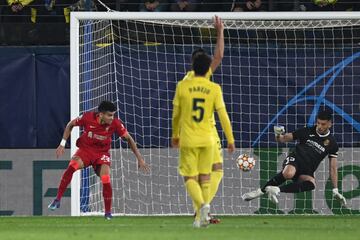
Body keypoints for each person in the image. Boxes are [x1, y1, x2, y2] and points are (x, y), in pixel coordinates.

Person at [172, 15, 235, 228]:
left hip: (189, 135)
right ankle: (202, 208)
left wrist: (175, 134)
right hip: (209, 133)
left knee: (197, 174)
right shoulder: (208, 82)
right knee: (212, 171)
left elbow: (176, 114)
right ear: (206, 64)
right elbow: (220, 55)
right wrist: (220, 31)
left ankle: (201, 211)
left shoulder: (184, 83)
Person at [48, 101, 150, 219]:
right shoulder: (87, 117)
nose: (112, 118)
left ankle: (107, 213)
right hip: (86, 150)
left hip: (102, 154)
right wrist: (62, 143)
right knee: (71, 167)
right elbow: (70, 124)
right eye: (109, 115)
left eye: (113, 115)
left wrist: (140, 159)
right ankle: (57, 200)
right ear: (101, 115)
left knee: (106, 179)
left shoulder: (115, 124)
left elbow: (129, 139)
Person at [242, 110, 346, 207]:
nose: (319, 126)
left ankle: (276, 189)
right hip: (295, 159)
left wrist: (335, 189)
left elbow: (333, 168)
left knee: (311, 184)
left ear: (330, 124)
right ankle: (260, 191)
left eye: (323, 124)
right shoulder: (307, 131)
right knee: (288, 173)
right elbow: (282, 139)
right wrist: (278, 134)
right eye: (318, 123)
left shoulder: (332, 144)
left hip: (307, 169)